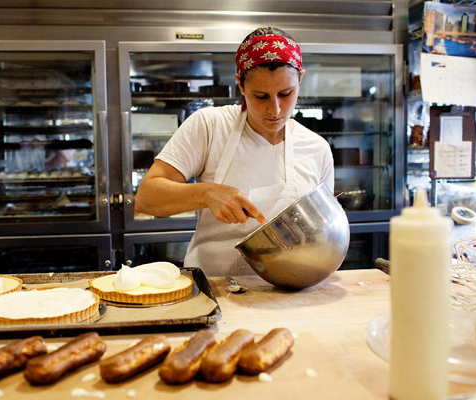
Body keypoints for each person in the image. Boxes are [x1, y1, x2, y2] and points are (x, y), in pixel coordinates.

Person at [134, 27, 334, 276]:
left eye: (286, 94)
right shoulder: (210, 126)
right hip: (214, 285)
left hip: (290, 287)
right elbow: (146, 198)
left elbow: (324, 232)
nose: (275, 110)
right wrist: (207, 193)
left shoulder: (317, 148)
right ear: (240, 85)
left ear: (300, 80)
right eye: (260, 96)